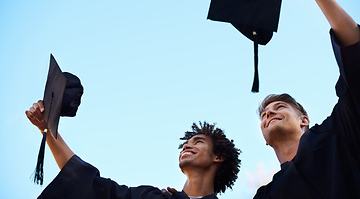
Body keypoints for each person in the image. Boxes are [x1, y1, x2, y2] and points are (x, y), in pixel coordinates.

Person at [254, 0, 360, 199]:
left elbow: (355, 56)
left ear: (304, 120)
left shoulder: (337, 133)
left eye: (279, 107)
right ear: (264, 140)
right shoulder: (266, 195)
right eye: (264, 115)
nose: (268, 113)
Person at [25, 102, 241, 199]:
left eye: (198, 141)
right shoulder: (148, 197)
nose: (187, 145)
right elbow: (86, 182)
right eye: (186, 143)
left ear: (218, 157)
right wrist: (47, 128)